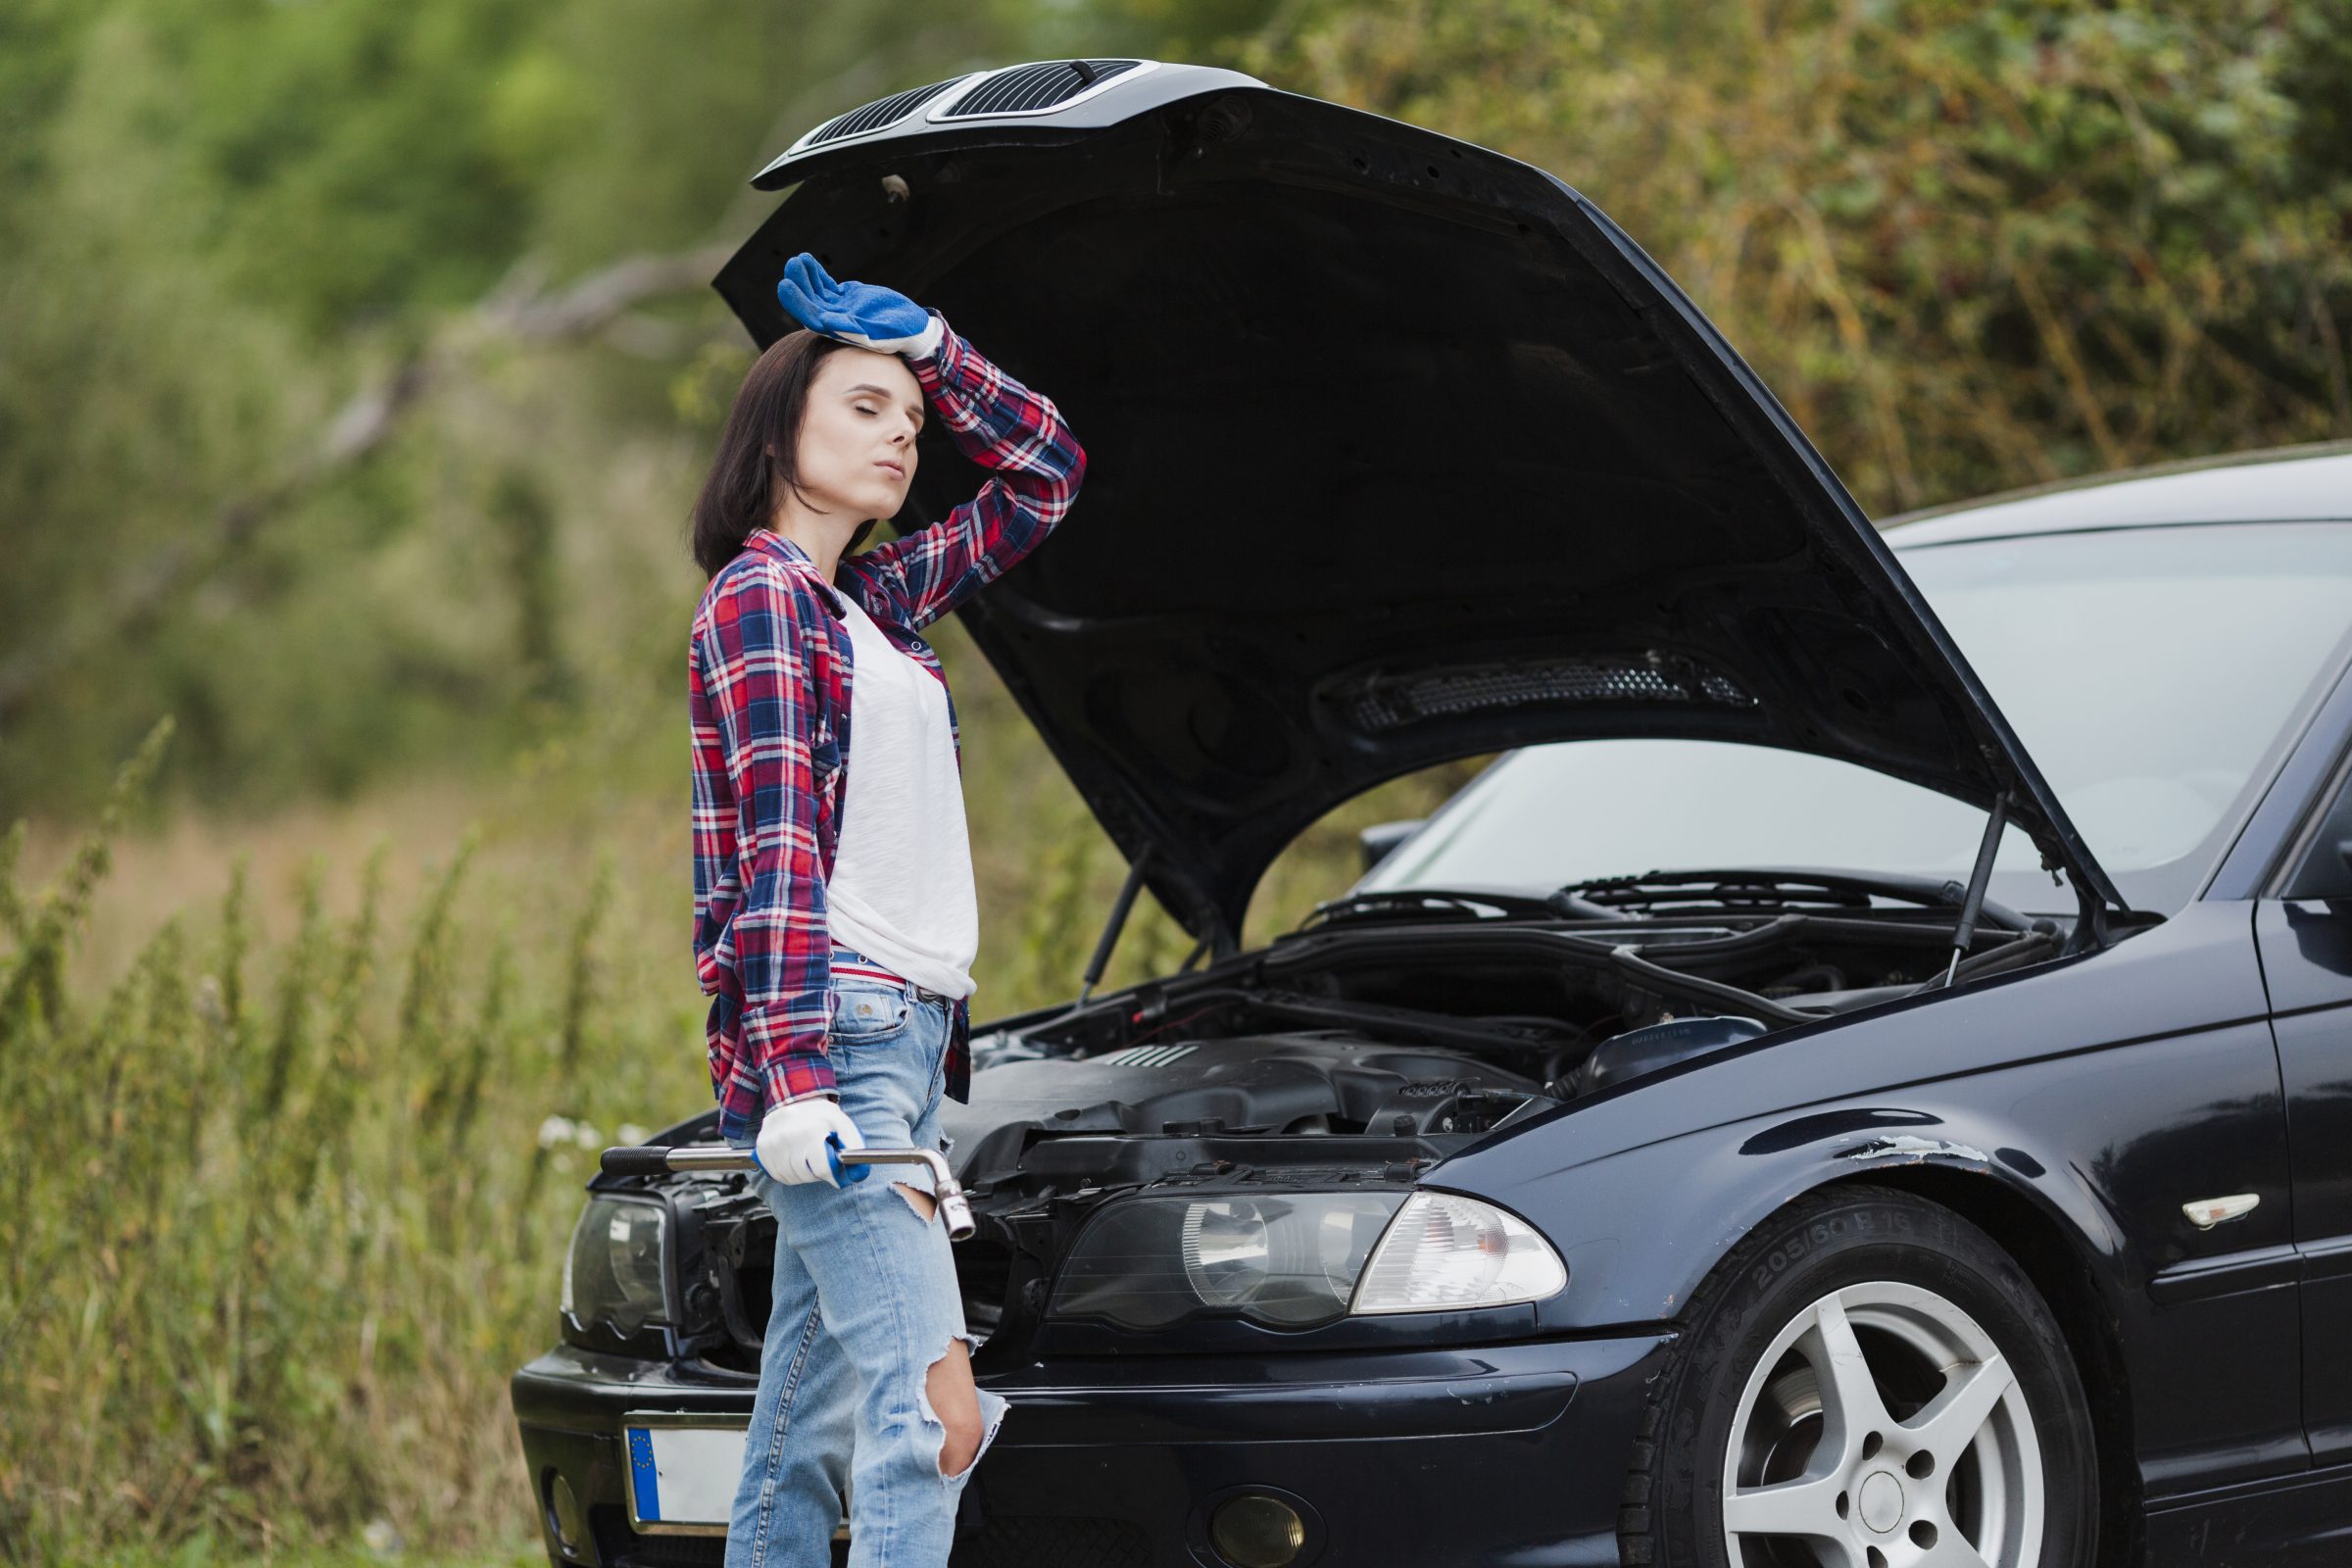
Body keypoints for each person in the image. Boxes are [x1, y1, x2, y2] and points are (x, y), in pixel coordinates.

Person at [684, 252, 1086, 1565]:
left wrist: (933, 344)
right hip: (838, 1048)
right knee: (935, 1421)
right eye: (866, 405)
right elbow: (778, 846)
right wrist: (792, 1073)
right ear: (778, 424)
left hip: (907, 1048)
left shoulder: (879, 602)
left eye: (912, 424)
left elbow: (1045, 472)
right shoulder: (762, 602)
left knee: (800, 1435)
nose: (902, 438)